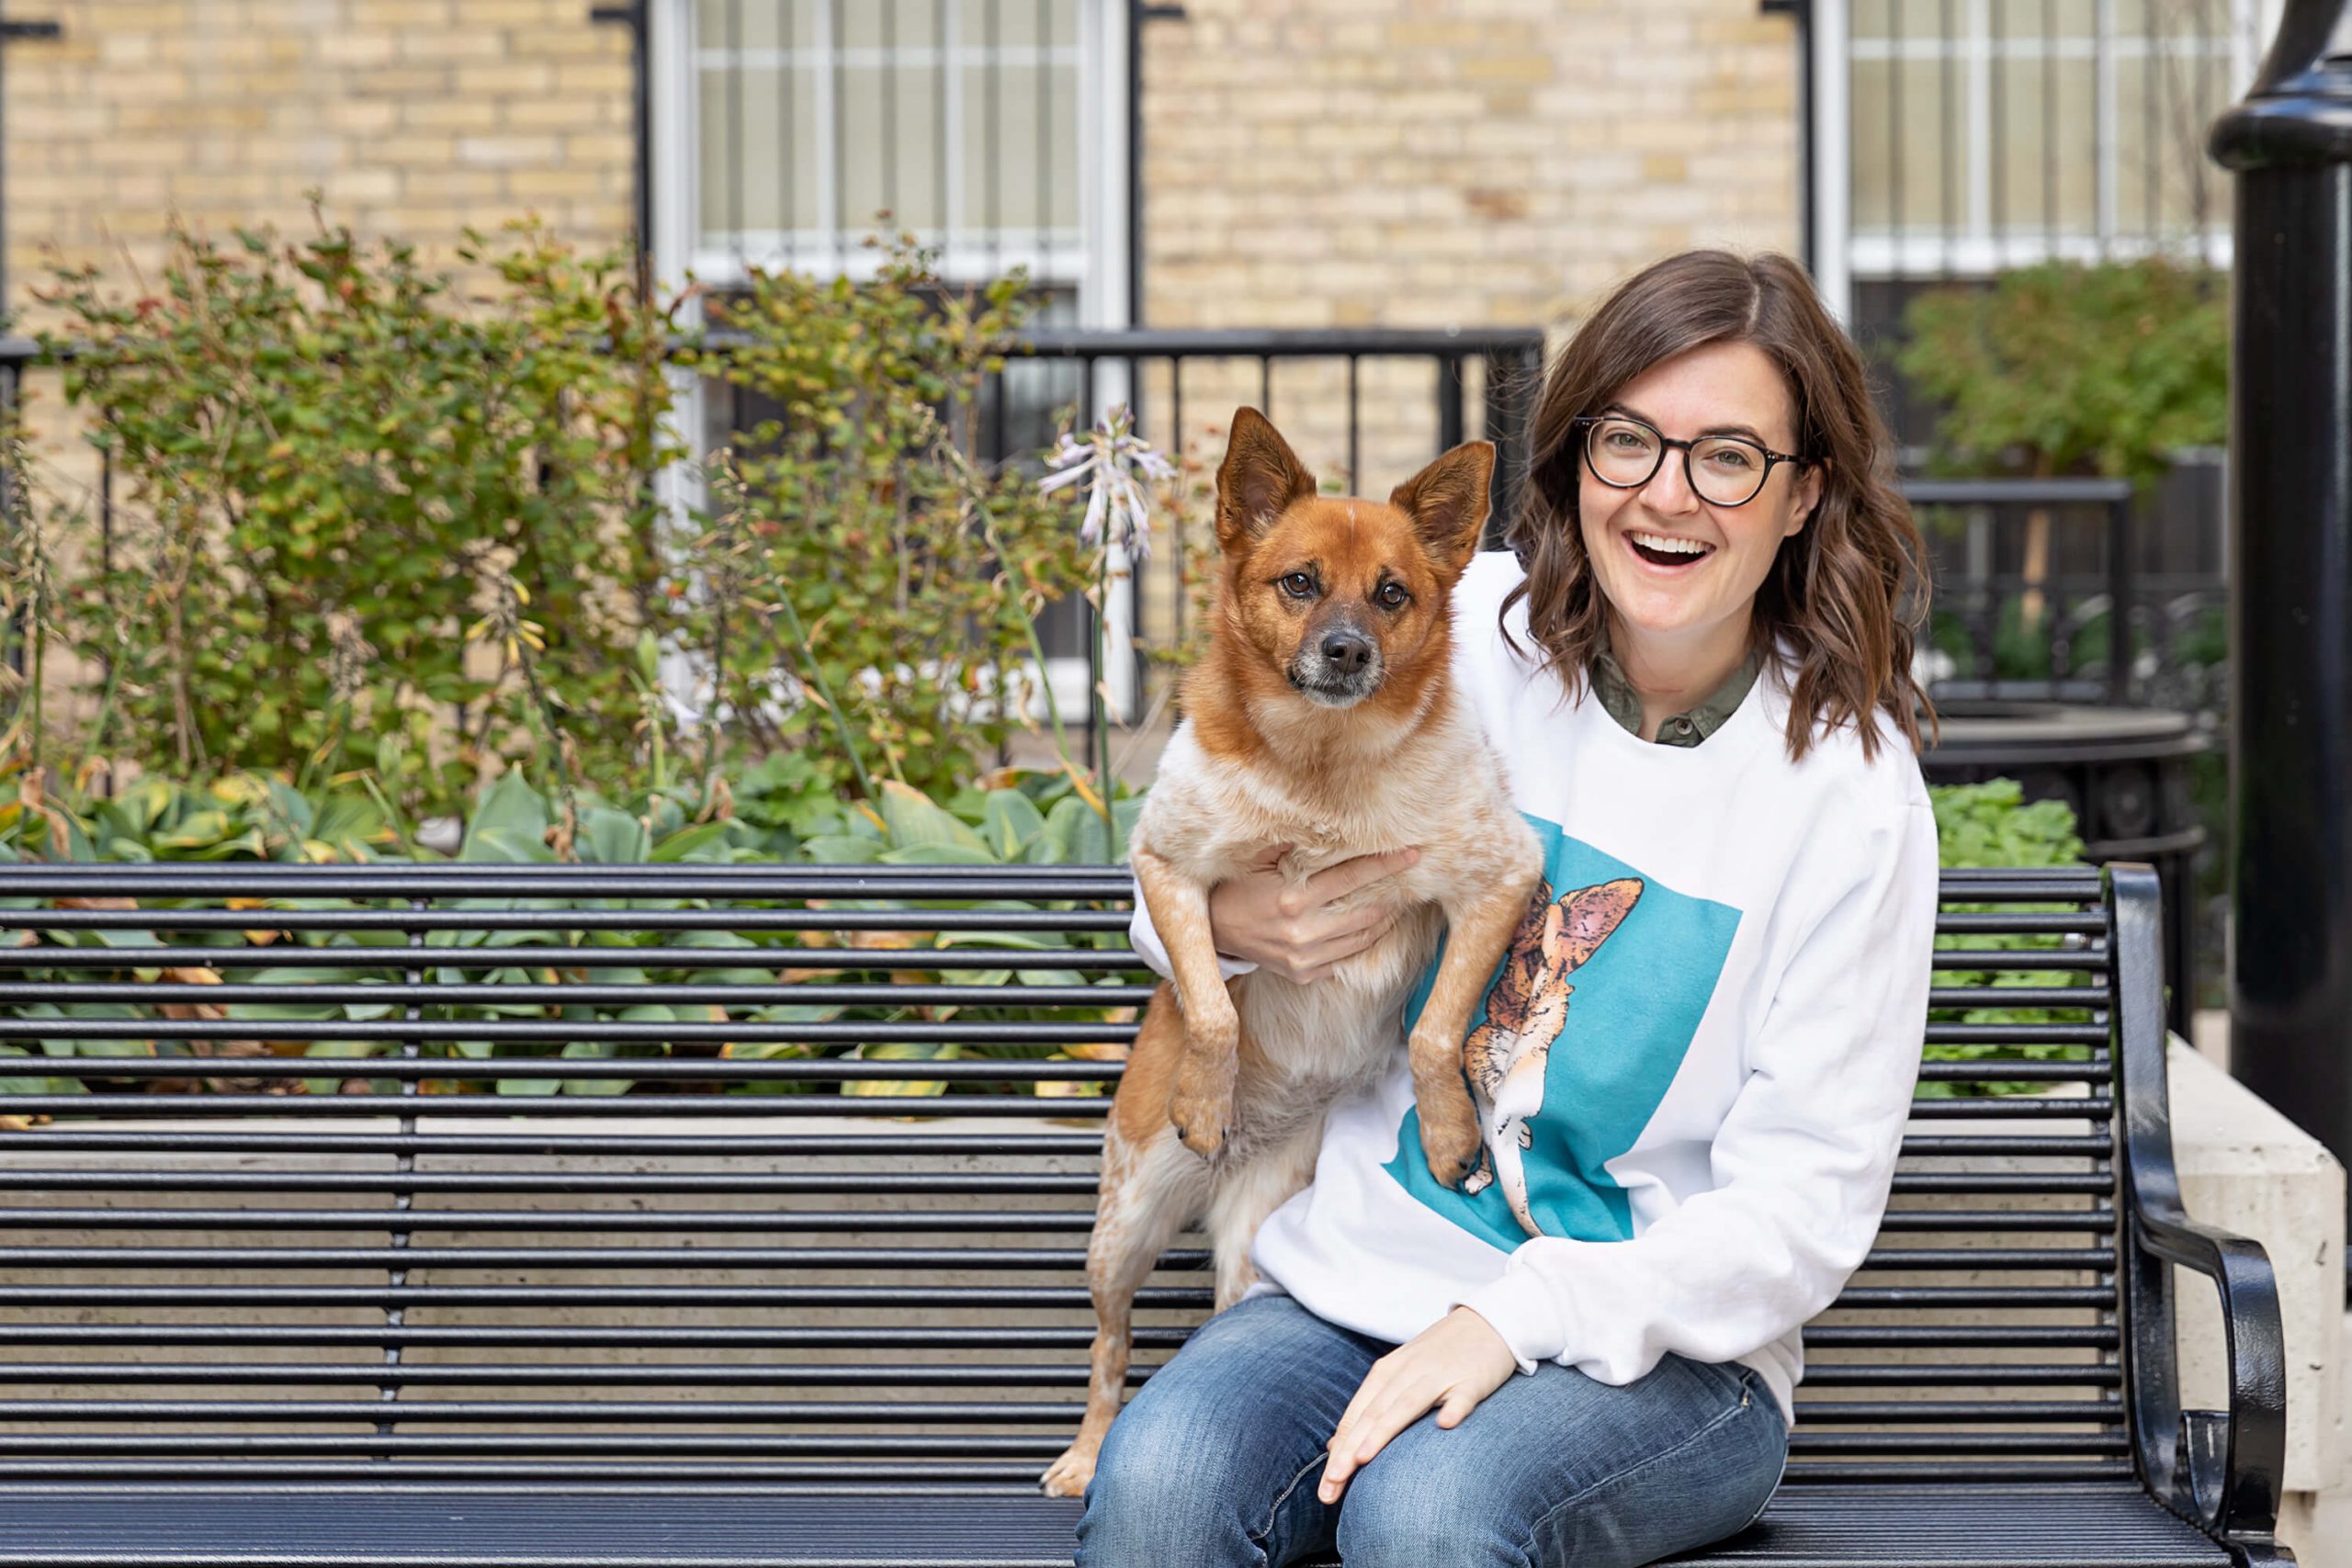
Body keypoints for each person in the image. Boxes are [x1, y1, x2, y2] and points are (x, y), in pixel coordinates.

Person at [1075, 249, 1941, 1568]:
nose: (1666, 493)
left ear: (1801, 495)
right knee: (1160, 1497)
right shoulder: (1462, 628)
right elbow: (1190, 838)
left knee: (1430, 1517)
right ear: (1577, 460)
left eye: (1726, 457)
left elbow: (1803, 1212)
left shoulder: (1852, 804)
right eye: (1629, 440)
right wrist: (1238, 930)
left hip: (1657, 1353)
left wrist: (1515, 1317)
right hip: (1353, 1280)